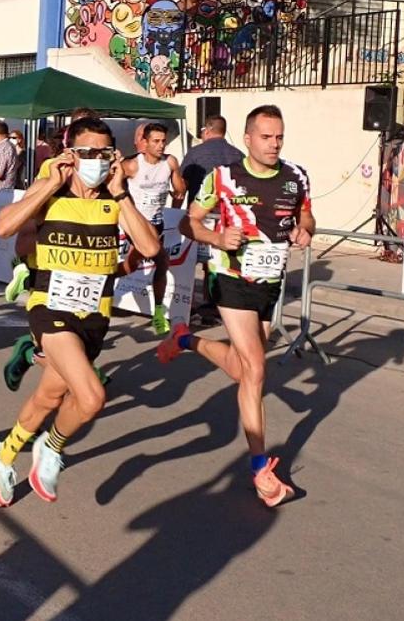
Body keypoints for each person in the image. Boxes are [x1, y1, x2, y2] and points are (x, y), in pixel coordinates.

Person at [0, 116, 161, 506]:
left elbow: (149, 248)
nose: (96, 160)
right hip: (49, 308)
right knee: (92, 396)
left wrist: (121, 195)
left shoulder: (116, 200)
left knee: (49, 397)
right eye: (87, 152)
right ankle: (53, 446)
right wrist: (48, 184)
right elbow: (3, 227)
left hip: (94, 316)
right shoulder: (53, 193)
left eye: (104, 152)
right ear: (71, 155)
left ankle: (5, 453)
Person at [160, 104, 314, 508]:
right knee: (257, 369)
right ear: (247, 139)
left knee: (242, 368)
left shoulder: (295, 176)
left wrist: (303, 231)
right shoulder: (224, 177)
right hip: (229, 279)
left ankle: (186, 340)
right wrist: (216, 239)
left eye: (279, 136)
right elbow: (187, 222)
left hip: (269, 285)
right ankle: (261, 467)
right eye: (266, 137)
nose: (274, 144)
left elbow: (307, 217)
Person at [121, 122, 187, 335]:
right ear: (145, 143)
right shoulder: (132, 165)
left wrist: (174, 212)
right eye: (156, 141)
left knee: (132, 266)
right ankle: (159, 312)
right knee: (161, 260)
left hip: (157, 222)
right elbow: (112, 186)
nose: (161, 146)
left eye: (163, 142)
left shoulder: (170, 163)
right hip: (137, 224)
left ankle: (103, 282)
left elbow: (180, 190)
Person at [179, 115, 245, 322]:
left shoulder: (196, 153)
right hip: (226, 217)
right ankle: (214, 304)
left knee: (189, 261)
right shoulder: (238, 155)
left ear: (206, 131)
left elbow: (183, 181)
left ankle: (187, 304)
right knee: (216, 263)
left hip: (199, 215)